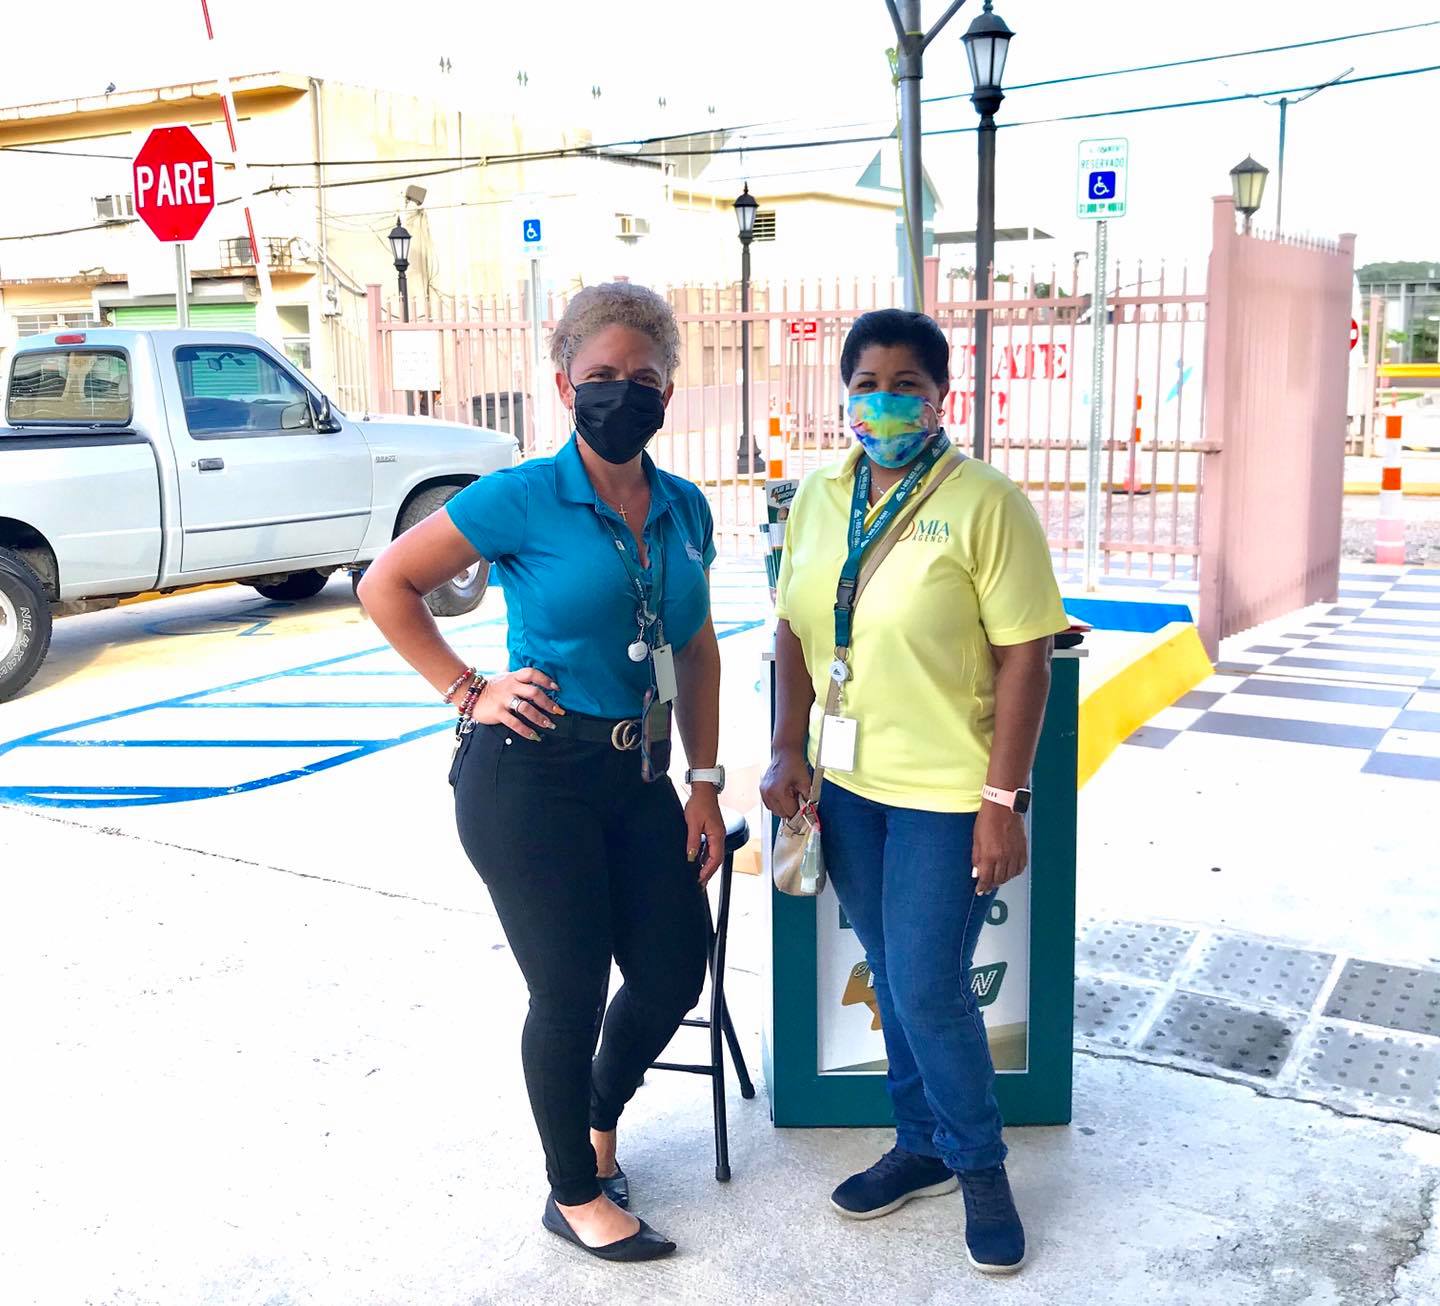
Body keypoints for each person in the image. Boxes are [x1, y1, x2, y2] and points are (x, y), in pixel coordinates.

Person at [359, 282, 728, 1264]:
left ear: (668, 391)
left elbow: (694, 647)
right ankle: (575, 1192)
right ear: (565, 384)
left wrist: (703, 781)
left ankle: (598, 1120)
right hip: (531, 774)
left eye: (642, 377)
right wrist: (466, 688)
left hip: (639, 775)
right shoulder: (522, 495)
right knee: (568, 990)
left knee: (671, 967)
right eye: (600, 374)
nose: (621, 392)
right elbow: (386, 583)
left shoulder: (685, 507)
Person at [760, 308, 1068, 1276]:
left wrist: (1002, 800)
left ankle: (980, 1168)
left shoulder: (985, 501)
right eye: (867, 384)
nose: (884, 402)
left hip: (946, 792)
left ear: (941, 396)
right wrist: (786, 748)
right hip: (847, 786)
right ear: (843, 393)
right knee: (893, 977)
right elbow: (792, 630)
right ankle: (920, 1143)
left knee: (930, 987)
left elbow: (1027, 658)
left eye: (907, 384)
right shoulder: (820, 496)